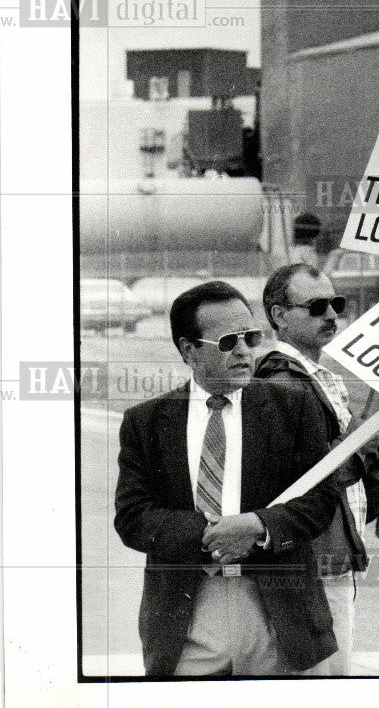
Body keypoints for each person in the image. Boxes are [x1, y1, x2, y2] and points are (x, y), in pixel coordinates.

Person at [114, 280, 343, 677]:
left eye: (251, 337)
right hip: (186, 623)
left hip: (279, 620)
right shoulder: (146, 422)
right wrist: (209, 532)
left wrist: (257, 527)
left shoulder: (293, 406)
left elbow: (321, 500)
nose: (243, 351)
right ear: (189, 350)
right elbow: (133, 518)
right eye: (227, 341)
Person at [256, 263, 379, 676]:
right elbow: (298, 478)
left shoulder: (318, 375)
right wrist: (359, 445)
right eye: (317, 307)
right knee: (325, 678)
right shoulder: (282, 380)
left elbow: (343, 448)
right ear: (279, 316)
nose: (332, 316)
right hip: (314, 556)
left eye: (336, 304)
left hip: (331, 550)